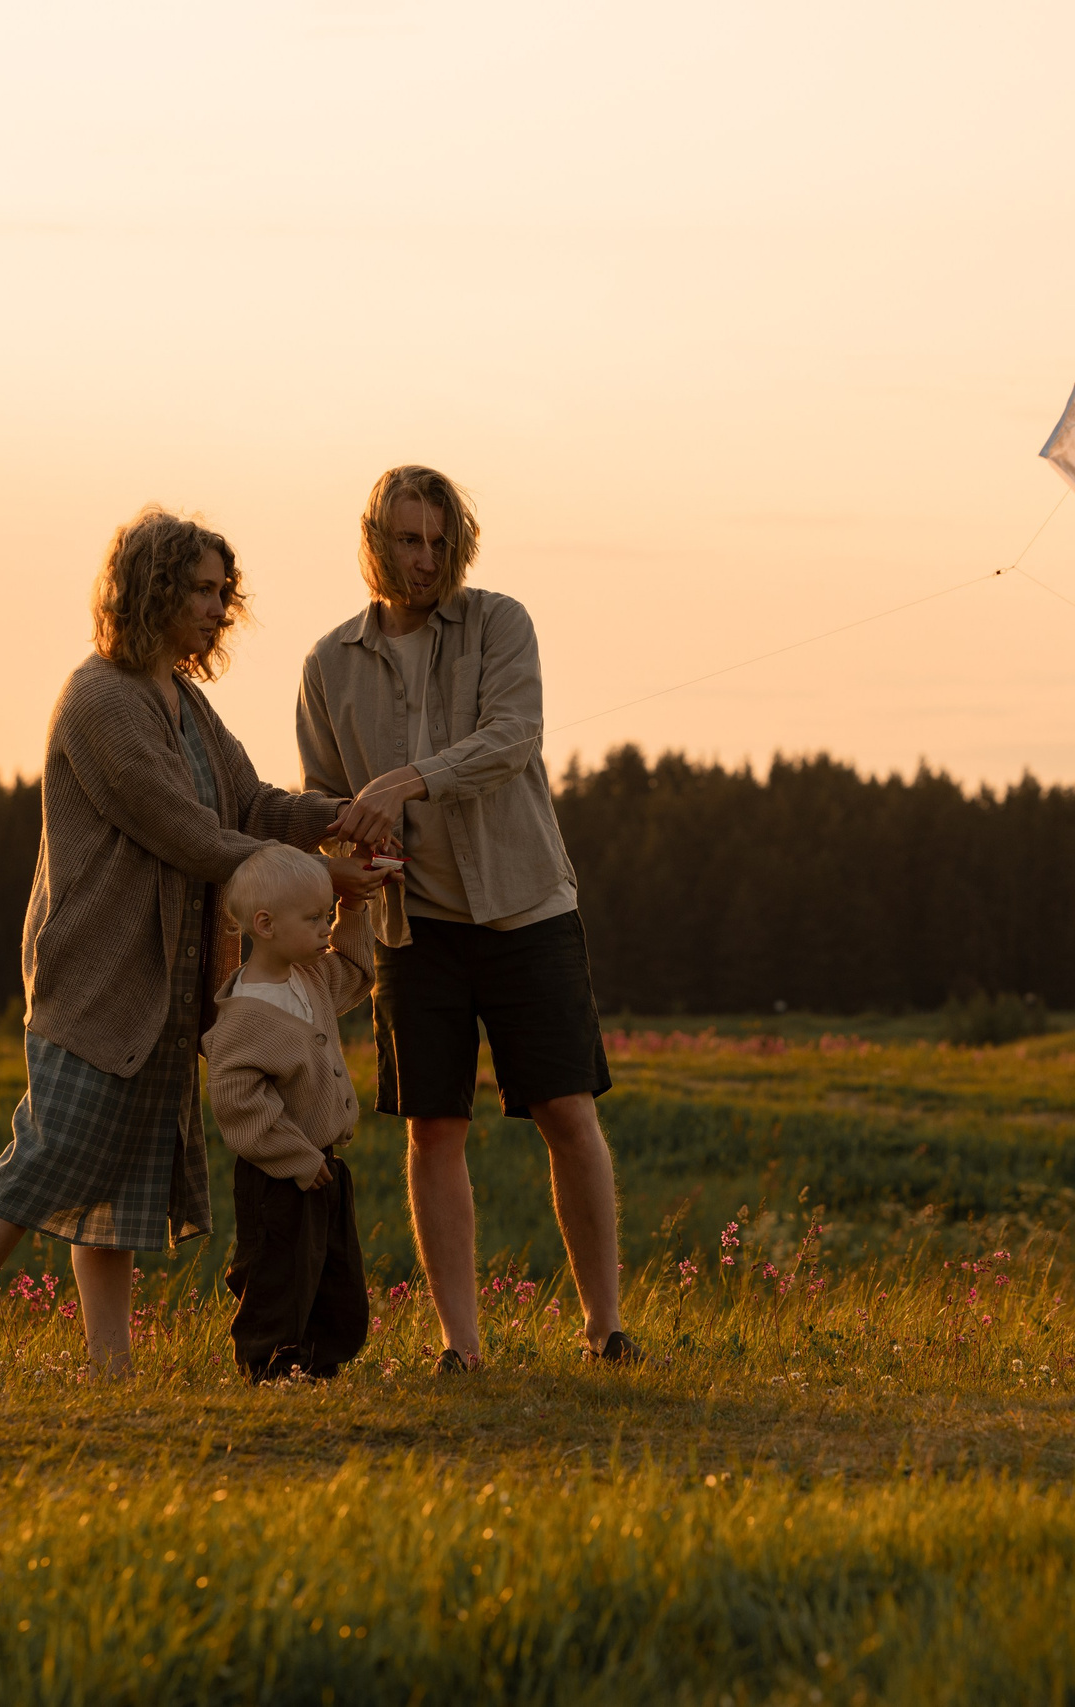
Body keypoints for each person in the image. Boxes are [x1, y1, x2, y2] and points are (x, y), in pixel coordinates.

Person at [0, 507, 380, 1380]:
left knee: (116, 1188)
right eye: (200, 589)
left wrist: (337, 821)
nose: (216, 608)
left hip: (170, 986)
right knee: (45, 1156)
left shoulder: (184, 701)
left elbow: (249, 804)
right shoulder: (100, 699)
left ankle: (108, 1367)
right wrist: (318, 880)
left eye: (222, 593)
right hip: (100, 981)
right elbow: (189, 833)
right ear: (150, 588)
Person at [296, 465, 632, 1369]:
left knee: (567, 1110)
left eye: (440, 540)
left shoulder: (499, 622)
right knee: (431, 1127)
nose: (425, 557)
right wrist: (350, 861)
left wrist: (406, 780)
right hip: (415, 927)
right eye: (409, 539)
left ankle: (606, 1328)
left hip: (526, 904)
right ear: (377, 540)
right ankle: (462, 1346)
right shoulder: (328, 663)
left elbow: (512, 734)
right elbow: (326, 796)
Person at [205, 844, 375, 1383]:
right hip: (276, 1173)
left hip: (320, 1163)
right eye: (314, 918)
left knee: (332, 1271)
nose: (326, 928)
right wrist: (296, 1159)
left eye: (328, 915)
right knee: (279, 1271)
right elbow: (239, 1105)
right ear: (265, 924)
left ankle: (319, 1365)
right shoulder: (244, 1015)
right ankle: (270, 1365)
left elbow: (356, 968)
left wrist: (354, 909)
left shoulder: (312, 977)